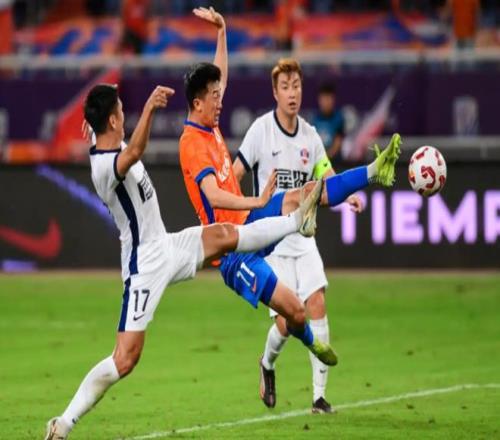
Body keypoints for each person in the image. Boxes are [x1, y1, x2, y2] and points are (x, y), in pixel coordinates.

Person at [44, 81, 325, 440]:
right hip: (143, 266)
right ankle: (63, 424)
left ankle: (296, 221)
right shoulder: (105, 166)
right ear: (112, 121)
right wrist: (149, 108)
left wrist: (95, 114)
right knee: (125, 359)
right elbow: (135, 152)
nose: (125, 117)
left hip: (166, 245)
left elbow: (112, 135)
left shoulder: (110, 140)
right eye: (121, 112)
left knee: (223, 235)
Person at [179, 6, 401, 405]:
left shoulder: (217, 125)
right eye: (214, 97)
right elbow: (213, 196)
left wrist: (223, 31)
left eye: (298, 85)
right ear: (198, 103)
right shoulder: (194, 143)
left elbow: (219, 76)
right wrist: (257, 199)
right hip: (232, 249)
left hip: (253, 221)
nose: (221, 100)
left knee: (307, 191)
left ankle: (374, 171)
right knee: (294, 314)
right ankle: (303, 347)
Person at [233, 58, 362, 414]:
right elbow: (235, 172)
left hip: (304, 238)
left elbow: (327, 175)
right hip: (271, 240)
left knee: (317, 302)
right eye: (285, 87)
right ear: (275, 92)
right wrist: (239, 210)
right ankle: (267, 363)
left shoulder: (310, 135)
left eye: (297, 86)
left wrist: (347, 195)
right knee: (289, 321)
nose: (292, 93)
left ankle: (319, 397)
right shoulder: (261, 131)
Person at [313, 82, 346, 164]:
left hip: (335, 163)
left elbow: (338, 142)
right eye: (324, 99)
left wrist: (326, 157)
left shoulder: (338, 119)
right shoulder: (314, 120)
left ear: (333, 100)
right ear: (319, 100)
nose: (326, 102)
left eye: (329, 98)